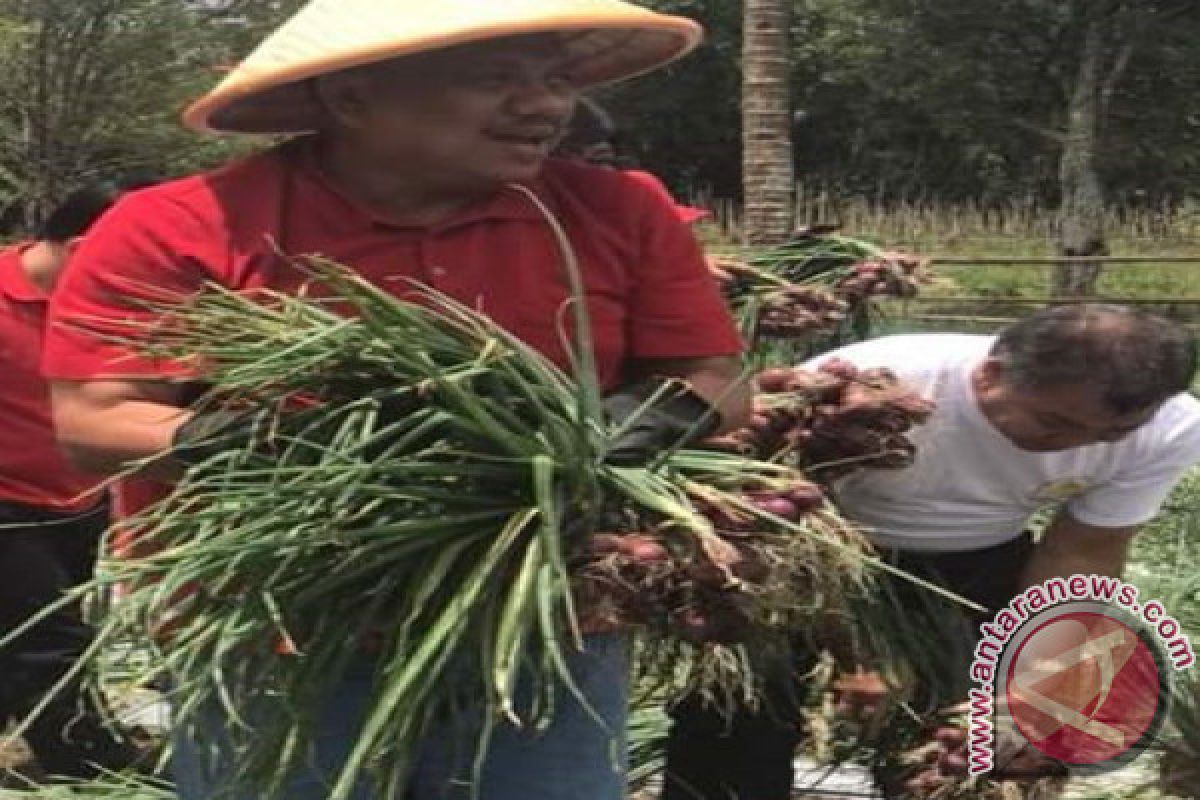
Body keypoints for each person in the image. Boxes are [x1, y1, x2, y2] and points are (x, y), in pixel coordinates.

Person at [41, 1, 751, 798]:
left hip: (545, 620)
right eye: (496, 79)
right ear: (352, 100)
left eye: (554, 78)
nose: (546, 105)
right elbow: (98, 419)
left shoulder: (616, 209)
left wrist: (615, 433)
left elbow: (715, 377)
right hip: (277, 629)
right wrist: (322, 452)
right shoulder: (183, 224)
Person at [662, 303, 1200, 799]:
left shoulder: (1171, 428)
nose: (1081, 445)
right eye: (1054, 423)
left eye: (1112, 434)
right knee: (736, 719)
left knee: (956, 745)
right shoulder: (866, 388)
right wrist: (860, 652)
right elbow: (772, 527)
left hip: (974, 562)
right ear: (991, 375)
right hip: (807, 554)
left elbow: (1082, 549)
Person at [0, 181, 150, 779]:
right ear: (83, 245)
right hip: (7, 503)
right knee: (52, 641)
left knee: (30, 634)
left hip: (79, 500)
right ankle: (87, 758)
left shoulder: (110, 310)